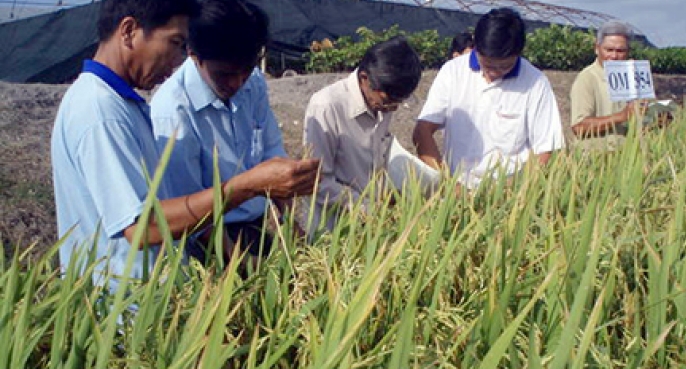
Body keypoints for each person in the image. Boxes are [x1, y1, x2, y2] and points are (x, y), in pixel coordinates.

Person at [51, 0, 319, 289]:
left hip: (156, 292)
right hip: (124, 307)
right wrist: (247, 187)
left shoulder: (123, 104)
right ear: (129, 31)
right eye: (175, 43)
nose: (177, 61)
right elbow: (143, 227)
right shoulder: (101, 111)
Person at [151, 0, 304, 263]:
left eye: (245, 72)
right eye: (224, 74)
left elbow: (270, 153)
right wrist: (237, 264)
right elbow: (188, 209)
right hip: (205, 241)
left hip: (253, 228)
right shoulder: (172, 112)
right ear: (194, 56)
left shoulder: (252, 83)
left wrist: (291, 224)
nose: (236, 83)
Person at [413, 8, 564, 189]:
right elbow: (423, 130)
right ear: (476, 46)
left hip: (510, 190)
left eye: (504, 67)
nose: (493, 73)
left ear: (519, 53)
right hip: (457, 185)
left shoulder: (535, 82)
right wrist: (448, 184)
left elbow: (547, 148)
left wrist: (511, 189)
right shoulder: (453, 71)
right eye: (488, 64)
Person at [303, 36, 422, 231]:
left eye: (398, 103)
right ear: (365, 79)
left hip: (372, 226)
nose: (391, 109)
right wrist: (366, 207)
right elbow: (317, 181)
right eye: (387, 101)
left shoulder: (382, 103)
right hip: (332, 229)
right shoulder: (327, 106)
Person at [570, 21, 642, 140]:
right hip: (597, 155)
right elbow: (579, 127)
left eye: (620, 51)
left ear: (628, 52)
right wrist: (621, 116)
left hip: (628, 154)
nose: (614, 56)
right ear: (597, 49)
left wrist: (657, 119)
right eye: (609, 50)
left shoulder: (634, 78)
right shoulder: (587, 78)